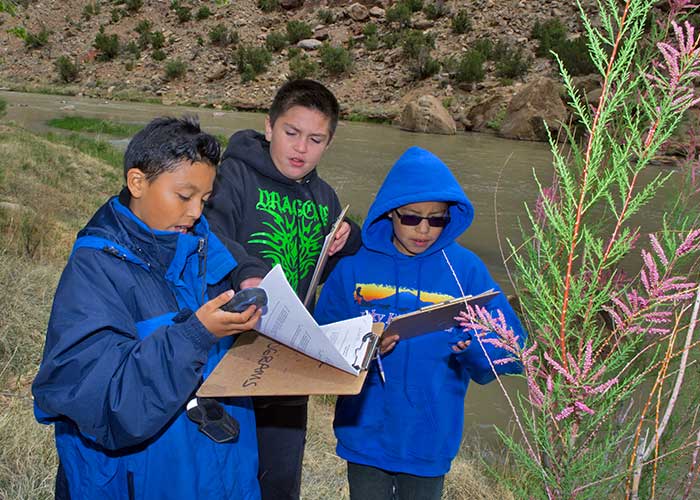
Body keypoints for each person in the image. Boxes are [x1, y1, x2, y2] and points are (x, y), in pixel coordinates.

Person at [32, 115, 263, 500]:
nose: (195, 214)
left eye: (204, 200)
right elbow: (112, 408)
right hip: (138, 481)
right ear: (137, 182)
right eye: (185, 196)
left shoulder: (203, 246)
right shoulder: (95, 269)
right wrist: (196, 335)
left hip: (216, 473)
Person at [314, 146, 527, 500]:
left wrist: (474, 349)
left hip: (429, 438)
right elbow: (320, 344)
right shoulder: (354, 268)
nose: (424, 229)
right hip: (364, 433)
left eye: (437, 219)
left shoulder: (467, 271)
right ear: (390, 213)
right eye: (411, 217)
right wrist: (362, 348)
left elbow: (513, 350)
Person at [204, 78, 361, 500]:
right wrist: (248, 273)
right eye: (291, 133)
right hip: (229, 351)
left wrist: (351, 234)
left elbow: (333, 263)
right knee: (224, 470)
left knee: (280, 477)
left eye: (315, 139)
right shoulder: (231, 176)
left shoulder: (325, 197)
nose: (300, 148)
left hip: (289, 359)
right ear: (269, 126)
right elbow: (210, 233)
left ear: (327, 144)